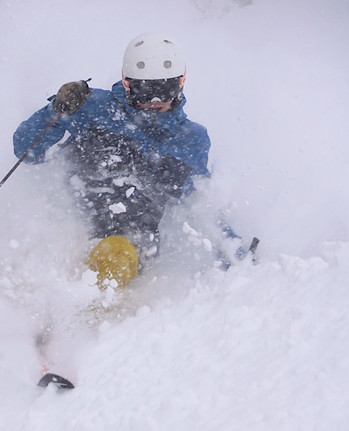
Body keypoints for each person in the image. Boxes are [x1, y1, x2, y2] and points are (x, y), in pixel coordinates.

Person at [13, 32, 238, 290]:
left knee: (116, 254)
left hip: (134, 238)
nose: (155, 101)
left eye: (165, 90)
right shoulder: (93, 108)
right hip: (70, 224)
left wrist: (233, 254)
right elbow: (26, 151)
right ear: (128, 84)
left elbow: (200, 201)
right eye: (146, 90)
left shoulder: (189, 138)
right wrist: (56, 110)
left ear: (181, 83)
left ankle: (81, 318)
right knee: (39, 253)